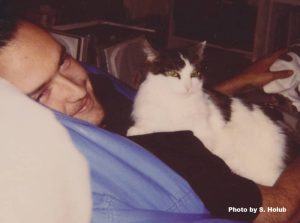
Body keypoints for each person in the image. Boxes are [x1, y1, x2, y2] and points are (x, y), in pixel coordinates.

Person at [0, 16, 299, 223]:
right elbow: (278, 208)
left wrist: (242, 81)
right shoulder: (164, 159)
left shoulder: (99, 89)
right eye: (40, 93)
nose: (78, 89)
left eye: (63, 61)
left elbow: (173, 110)